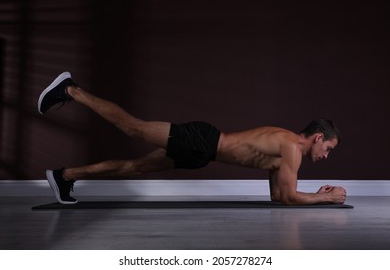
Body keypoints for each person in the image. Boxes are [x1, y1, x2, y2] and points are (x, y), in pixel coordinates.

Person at [38, 72, 347, 205]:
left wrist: (316, 194)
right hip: (203, 140)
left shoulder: (284, 154)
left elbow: (280, 198)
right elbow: (291, 198)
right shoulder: (291, 146)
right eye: (328, 148)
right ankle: (70, 90)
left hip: (202, 153)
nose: (326, 155)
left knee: (135, 168)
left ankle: (64, 177)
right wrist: (325, 197)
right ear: (318, 137)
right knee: (134, 128)